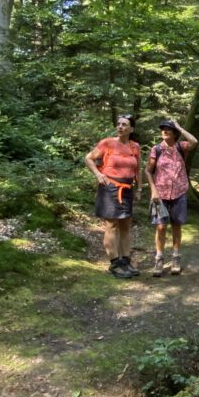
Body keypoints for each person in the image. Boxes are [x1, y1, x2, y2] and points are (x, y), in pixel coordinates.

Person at [85, 114, 142, 279]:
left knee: (125, 225)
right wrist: (97, 174)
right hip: (110, 187)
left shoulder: (135, 147)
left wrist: (139, 189)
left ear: (131, 129)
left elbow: (138, 169)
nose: (120, 127)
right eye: (119, 124)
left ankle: (125, 261)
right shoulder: (107, 143)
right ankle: (115, 264)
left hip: (127, 189)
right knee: (112, 225)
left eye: (124, 125)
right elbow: (88, 158)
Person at [145, 119, 198, 277]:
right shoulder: (157, 149)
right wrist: (153, 190)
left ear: (174, 133)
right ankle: (159, 258)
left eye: (168, 129)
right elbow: (148, 171)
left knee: (176, 225)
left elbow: (194, 141)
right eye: (163, 129)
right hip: (160, 194)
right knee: (160, 227)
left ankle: (176, 257)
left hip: (179, 192)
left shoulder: (181, 147)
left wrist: (179, 127)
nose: (164, 131)